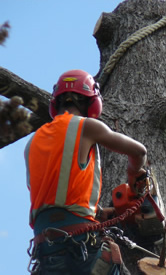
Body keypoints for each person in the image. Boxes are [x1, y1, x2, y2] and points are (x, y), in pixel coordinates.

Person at [24, 69, 147, 274]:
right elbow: (139, 151)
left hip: (45, 248)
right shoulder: (87, 127)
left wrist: (98, 214)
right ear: (92, 101)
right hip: (79, 243)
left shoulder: (32, 142)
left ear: (56, 102)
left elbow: (55, 200)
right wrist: (135, 177)